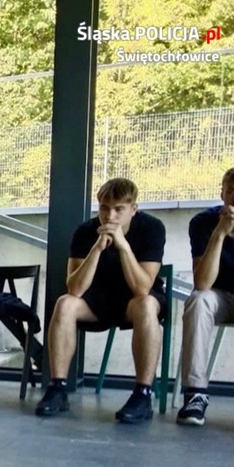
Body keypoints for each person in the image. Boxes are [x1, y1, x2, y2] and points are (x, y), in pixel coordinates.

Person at [35, 178, 166, 423]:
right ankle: (57, 387)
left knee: (147, 305)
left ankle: (142, 393)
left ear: (134, 209)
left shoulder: (152, 228)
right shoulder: (86, 231)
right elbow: (75, 288)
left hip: (135, 299)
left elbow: (142, 288)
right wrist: (96, 248)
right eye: (104, 208)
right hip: (98, 298)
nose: (110, 216)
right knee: (65, 303)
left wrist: (123, 246)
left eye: (118, 209)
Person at [176, 164, 234, 429]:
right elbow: (202, 283)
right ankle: (195, 394)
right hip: (218, 296)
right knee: (198, 300)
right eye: (232, 192)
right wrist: (219, 234)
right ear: (221, 193)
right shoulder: (202, 222)